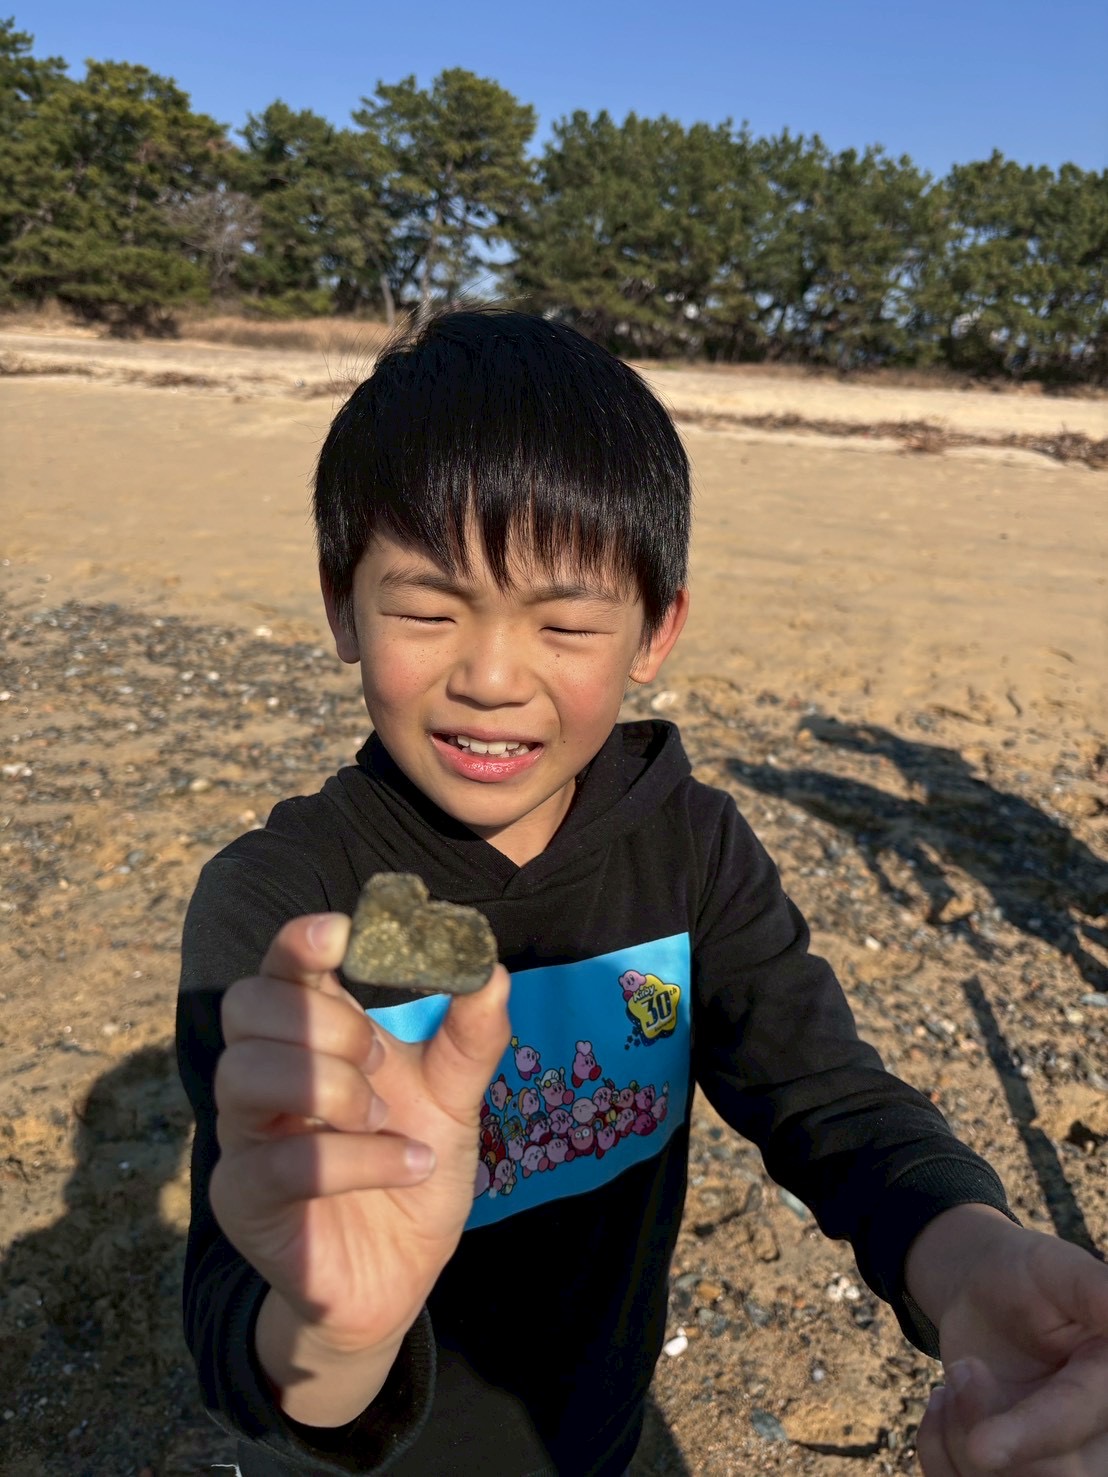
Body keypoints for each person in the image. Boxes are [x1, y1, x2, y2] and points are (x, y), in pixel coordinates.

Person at [176, 310, 1108, 1477]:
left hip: (597, 1431)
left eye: (566, 622)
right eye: (426, 611)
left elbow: (823, 1096)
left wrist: (971, 1259)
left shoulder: (690, 849)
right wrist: (339, 1330)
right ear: (340, 606)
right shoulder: (281, 909)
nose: (491, 676)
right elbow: (233, 1314)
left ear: (655, 630)